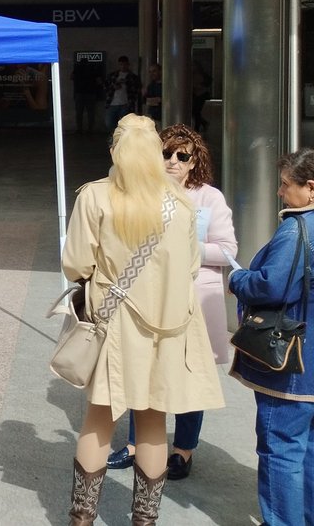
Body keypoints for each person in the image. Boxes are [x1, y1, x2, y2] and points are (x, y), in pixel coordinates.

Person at [62, 114, 223, 526]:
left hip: (113, 324)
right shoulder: (181, 204)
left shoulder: (95, 196)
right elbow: (189, 269)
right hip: (167, 328)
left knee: (99, 419)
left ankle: (81, 518)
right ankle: (144, 521)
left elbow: (75, 264)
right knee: (154, 423)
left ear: (114, 149)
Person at [107, 123, 237, 480]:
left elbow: (228, 250)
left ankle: (182, 450)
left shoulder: (209, 198)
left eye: (183, 155)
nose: (174, 161)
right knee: (143, 370)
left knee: (188, 376)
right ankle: (136, 445)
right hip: (149, 299)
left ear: (195, 161)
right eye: (166, 153)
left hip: (194, 298)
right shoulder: (140, 192)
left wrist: (186, 246)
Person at [228, 149, 314, 526]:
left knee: (281, 449)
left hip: (293, 363)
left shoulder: (297, 229)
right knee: (308, 449)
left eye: (285, 184)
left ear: (310, 188)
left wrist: (236, 279)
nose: (280, 192)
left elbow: (271, 286)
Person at [103, 56, 141, 133]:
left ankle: (121, 139)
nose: (123, 66)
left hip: (126, 104)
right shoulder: (113, 75)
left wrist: (126, 84)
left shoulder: (133, 77)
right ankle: (115, 137)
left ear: (128, 65)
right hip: (112, 103)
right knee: (109, 123)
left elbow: (137, 89)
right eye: (121, 64)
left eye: (125, 64)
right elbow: (105, 87)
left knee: (124, 125)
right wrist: (114, 87)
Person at [71, 58, 102, 135]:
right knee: (91, 112)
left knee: (79, 113)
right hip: (91, 93)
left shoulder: (77, 68)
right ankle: (90, 130)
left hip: (79, 93)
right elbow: (99, 81)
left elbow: (71, 77)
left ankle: (79, 129)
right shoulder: (93, 68)